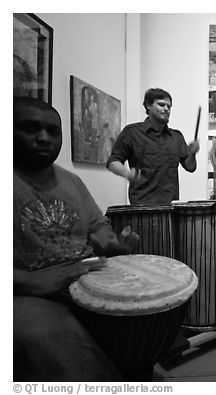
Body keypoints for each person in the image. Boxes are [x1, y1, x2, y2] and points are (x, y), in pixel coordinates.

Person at [13, 96, 139, 381]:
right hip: (24, 292)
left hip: (82, 276)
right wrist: (29, 281)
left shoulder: (72, 181)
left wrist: (114, 244)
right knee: (44, 335)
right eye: (30, 128)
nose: (44, 138)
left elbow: (98, 228)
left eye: (52, 131)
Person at [107, 88, 200, 205]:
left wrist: (192, 153)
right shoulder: (132, 132)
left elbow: (190, 167)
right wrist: (127, 174)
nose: (166, 109)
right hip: (142, 207)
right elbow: (113, 162)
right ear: (148, 105)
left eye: (169, 106)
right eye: (161, 105)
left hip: (170, 208)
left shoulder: (176, 137)